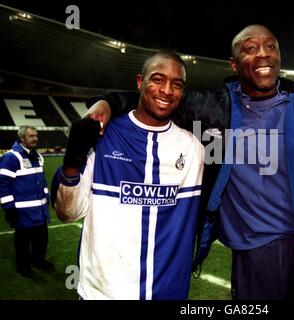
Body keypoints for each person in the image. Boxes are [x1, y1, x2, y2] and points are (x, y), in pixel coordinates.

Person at [86, 25, 294, 300]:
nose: (263, 55)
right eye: (250, 49)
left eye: (270, 46)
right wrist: (108, 103)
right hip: (253, 257)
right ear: (234, 64)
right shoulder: (209, 111)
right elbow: (154, 100)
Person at [51, 51, 205, 300]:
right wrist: (72, 162)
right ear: (139, 82)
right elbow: (67, 213)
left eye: (177, 85)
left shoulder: (193, 148)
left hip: (168, 294)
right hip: (102, 294)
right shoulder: (103, 137)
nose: (167, 91)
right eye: (157, 79)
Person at [0, 126, 53, 278]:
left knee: (41, 238)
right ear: (22, 138)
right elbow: (3, 184)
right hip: (22, 211)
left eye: (36, 136)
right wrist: (9, 208)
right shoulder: (11, 157)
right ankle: (23, 266)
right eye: (31, 136)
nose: (35, 139)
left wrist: (46, 199)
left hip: (40, 209)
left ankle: (38, 261)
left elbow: (40, 181)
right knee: (23, 241)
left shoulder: (37, 156)